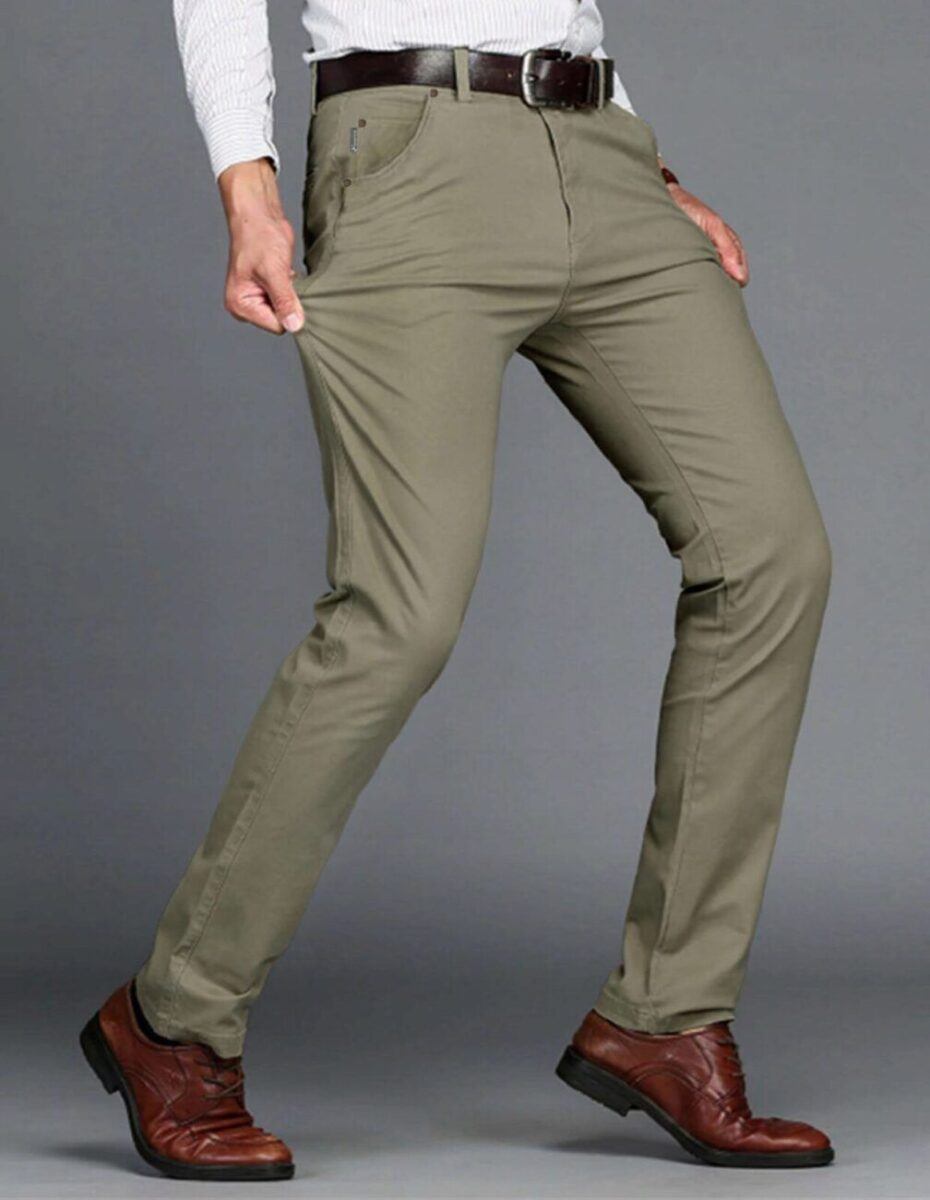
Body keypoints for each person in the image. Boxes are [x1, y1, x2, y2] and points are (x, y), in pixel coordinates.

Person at [80, 0, 835, 1180]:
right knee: (402, 613)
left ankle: (668, 1015)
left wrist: (642, 158)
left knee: (773, 554)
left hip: (597, 147)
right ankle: (175, 1018)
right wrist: (247, 181)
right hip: (408, 149)